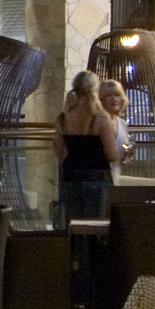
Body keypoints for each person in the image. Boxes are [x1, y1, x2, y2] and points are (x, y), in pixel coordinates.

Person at [53, 70, 121, 224]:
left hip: (70, 177)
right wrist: (123, 152)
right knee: (95, 227)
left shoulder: (65, 117)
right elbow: (111, 155)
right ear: (95, 89)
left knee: (73, 226)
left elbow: (58, 148)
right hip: (96, 178)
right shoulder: (100, 118)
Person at [99, 78, 136, 172]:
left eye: (117, 95)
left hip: (115, 174)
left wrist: (127, 152)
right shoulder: (96, 123)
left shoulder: (122, 124)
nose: (114, 99)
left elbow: (126, 146)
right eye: (109, 95)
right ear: (101, 100)